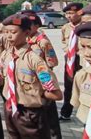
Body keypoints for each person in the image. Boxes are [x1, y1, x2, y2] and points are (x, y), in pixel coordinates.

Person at [0, 14, 63, 138]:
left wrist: (38, 93)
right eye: (6, 32)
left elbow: (56, 94)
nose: (8, 36)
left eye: (13, 32)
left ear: (26, 32)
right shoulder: (6, 55)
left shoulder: (35, 60)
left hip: (30, 114)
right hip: (10, 108)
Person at [21, 10, 61, 138]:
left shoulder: (43, 42)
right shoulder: (25, 39)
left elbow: (52, 62)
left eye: (30, 25)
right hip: (30, 84)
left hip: (43, 83)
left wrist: (45, 80)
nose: (27, 28)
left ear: (37, 26)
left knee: (50, 115)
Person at [60, 2, 83, 121]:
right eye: (67, 14)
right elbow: (64, 41)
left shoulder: (86, 25)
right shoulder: (66, 27)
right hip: (70, 59)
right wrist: (67, 50)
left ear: (79, 13)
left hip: (83, 59)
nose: (68, 16)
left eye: (71, 13)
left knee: (84, 86)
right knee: (68, 86)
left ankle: (84, 112)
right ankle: (66, 112)